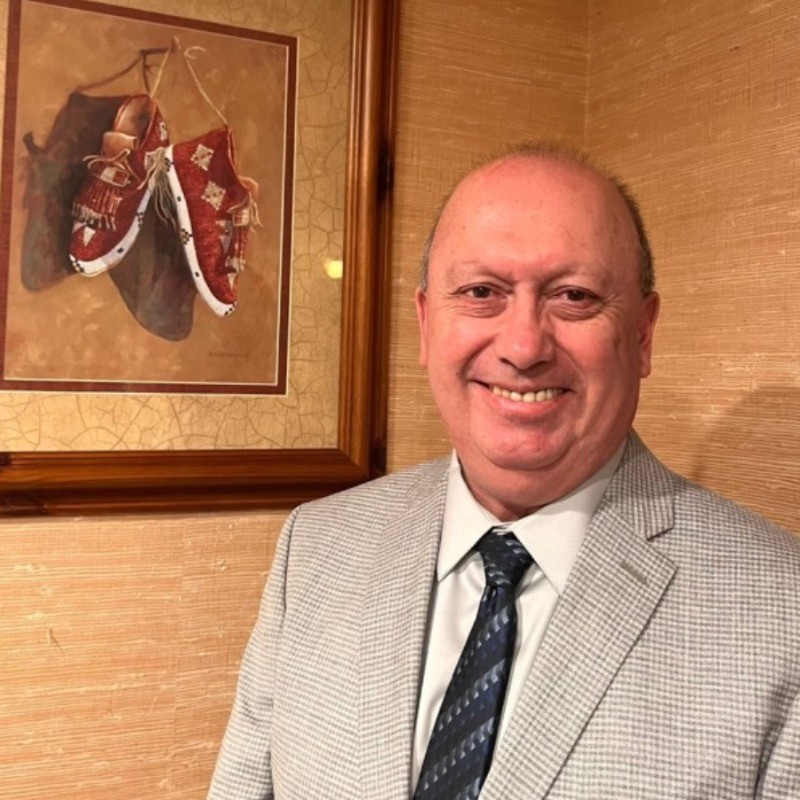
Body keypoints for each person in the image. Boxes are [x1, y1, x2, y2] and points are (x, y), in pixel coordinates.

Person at [207, 144, 800, 800]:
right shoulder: (315, 548)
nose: (523, 347)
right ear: (427, 323)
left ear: (641, 334)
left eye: (574, 297)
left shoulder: (781, 613)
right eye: (482, 292)